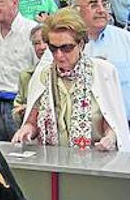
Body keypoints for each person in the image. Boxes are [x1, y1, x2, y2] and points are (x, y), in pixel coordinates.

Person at [12, 10, 129, 151]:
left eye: (66, 48)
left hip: (96, 162)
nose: (59, 55)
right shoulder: (42, 76)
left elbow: (113, 121)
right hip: (52, 163)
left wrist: (110, 138)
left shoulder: (103, 72)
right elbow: (32, 121)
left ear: (81, 44)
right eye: (53, 48)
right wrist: (26, 130)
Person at [0, 0, 39, 140]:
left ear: (14, 2)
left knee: (24, 152)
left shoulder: (32, 31)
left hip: (21, 105)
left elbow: (39, 71)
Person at [76, 0, 130, 119]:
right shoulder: (66, 44)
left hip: (124, 124)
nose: (101, 10)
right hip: (83, 128)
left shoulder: (125, 39)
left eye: (105, 4)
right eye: (93, 5)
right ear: (77, 11)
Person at [12, 25, 49, 126]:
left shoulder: (68, 73)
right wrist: (22, 111)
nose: (42, 47)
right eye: (37, 43)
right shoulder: (26, 75)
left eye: (46, 41)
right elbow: (16, 109)